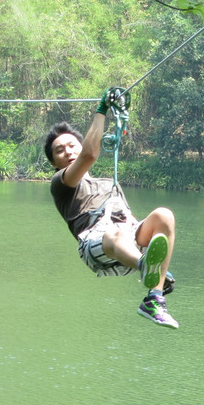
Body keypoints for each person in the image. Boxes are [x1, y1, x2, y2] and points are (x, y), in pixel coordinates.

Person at [44, 89, 179, 328]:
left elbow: (130, 221)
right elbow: (89, 155)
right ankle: (146, 267)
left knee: (164, 215)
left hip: (126, 241)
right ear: (54, 162)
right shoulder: (61, 183)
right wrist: (102, 109)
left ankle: (154, 298)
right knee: (114, 234)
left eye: (72, 146)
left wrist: (139, 234)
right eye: (60, 150)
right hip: (97, 243)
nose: (68, 152)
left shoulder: (109, 184)